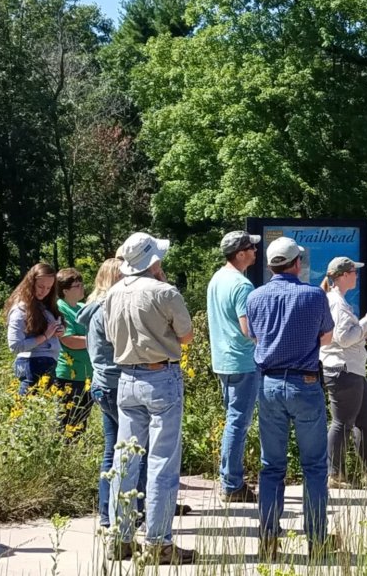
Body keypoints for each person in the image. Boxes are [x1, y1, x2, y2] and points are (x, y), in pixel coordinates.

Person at [103, 232, 196, 564]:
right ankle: (158, 542)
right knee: (162, 463)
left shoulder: (111, 294)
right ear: (153, 262)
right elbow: (186, 337)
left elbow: (110, 335)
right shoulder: (165, 292)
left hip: (126, 377)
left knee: (125, 460)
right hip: (160, 377)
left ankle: (120, 537)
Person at [247, 237, 337, 561]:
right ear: (297, 263)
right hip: (305, 382)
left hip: (269, 384)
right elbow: (327, 336)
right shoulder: (314, 296)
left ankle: (268, 539)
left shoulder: (255, 297)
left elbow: (253, 336)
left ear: (272, 265)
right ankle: (316, 539)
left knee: (271, 466)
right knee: (314, 465)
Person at [79, 257, 145, 532]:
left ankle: (107, 515)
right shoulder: (109, 308)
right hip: (119, 384)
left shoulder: (92, 308)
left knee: (112, 452)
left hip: (101, 384)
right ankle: (135, 513)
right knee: (136, 449)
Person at [319, 257, 367, 488]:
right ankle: (334, 474)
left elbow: (347, 335)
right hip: (343, 369)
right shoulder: (336, 303)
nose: (357, 276)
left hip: (351, 369)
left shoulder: (336, 300)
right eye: (353, 272)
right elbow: (344, 338)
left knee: (364, 422)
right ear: (343, 275)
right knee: (342, 423)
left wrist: (363, 329)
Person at [207, 230, 262, 503]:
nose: (255, 251)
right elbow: (247, 329)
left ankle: (230, 478)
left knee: (233, 419)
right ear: (240, 254)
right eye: (251, 247)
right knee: (238, 422)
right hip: (242, 360)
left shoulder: (218, 278)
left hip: (223, 359)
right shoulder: (242, 286)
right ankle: (232, 483)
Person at [5, 263, 64, 395]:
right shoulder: (20, 310)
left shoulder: (45, 306)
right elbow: (15, 346)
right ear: (30, 283)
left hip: (46, 363)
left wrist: (60, 331)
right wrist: (45, 336)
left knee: (40, 412)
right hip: (33, 365)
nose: (44, 291)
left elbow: (53, 329)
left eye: (49, 288)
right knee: (29, 411)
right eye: (40, 286)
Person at [54, 268, 94, 436]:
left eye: (81, 284)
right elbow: (68, 340)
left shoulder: (82, 307)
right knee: (68, 422)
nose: (81, 288)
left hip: (86, 373)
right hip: (69, 374)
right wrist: (96, 341)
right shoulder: (61, 308)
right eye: (77, 285)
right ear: (65, 291)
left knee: (81, 423)